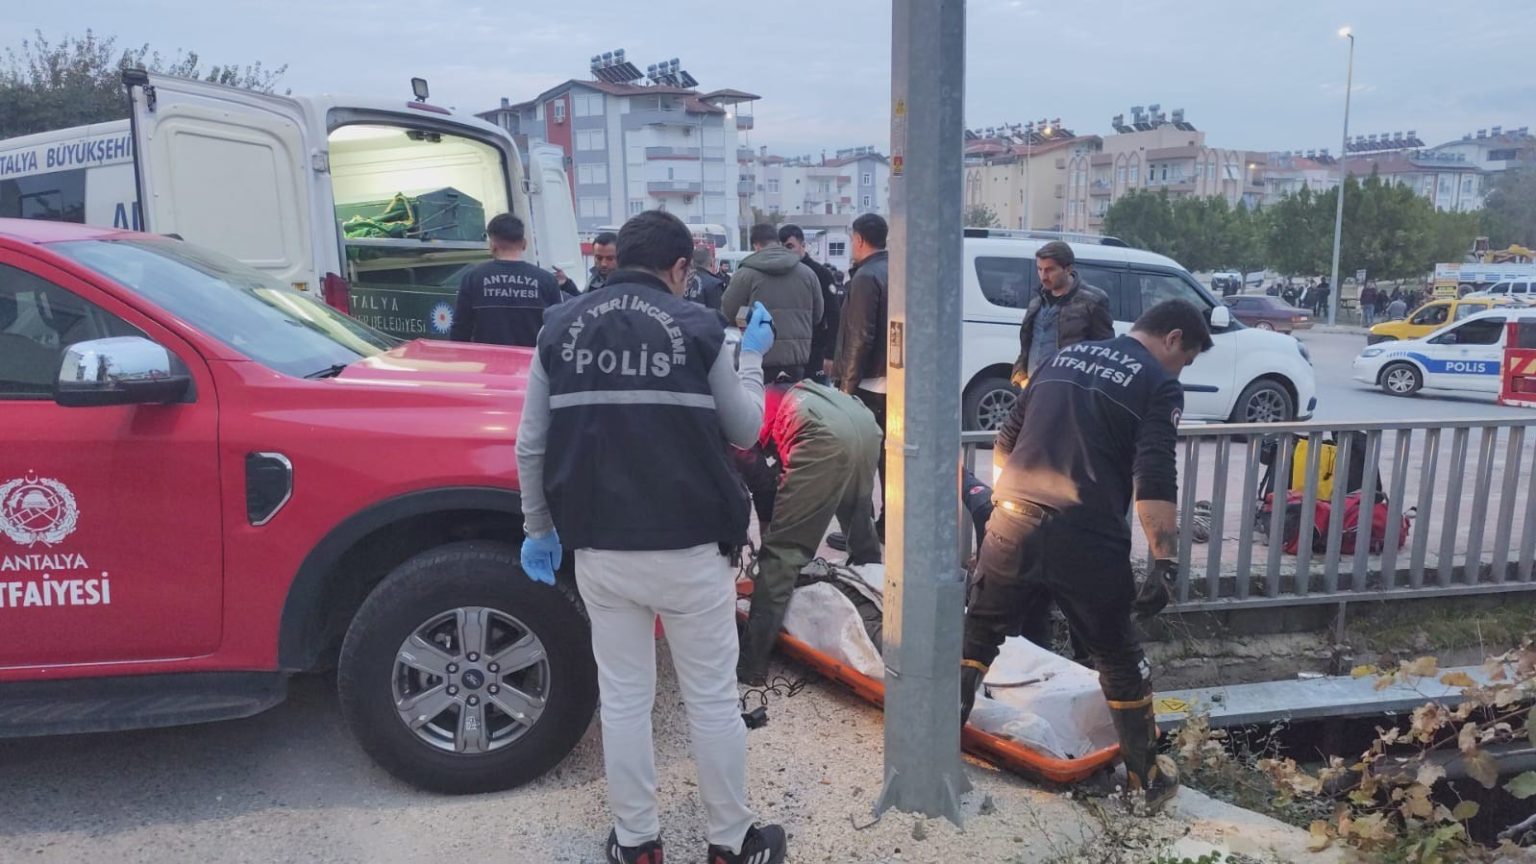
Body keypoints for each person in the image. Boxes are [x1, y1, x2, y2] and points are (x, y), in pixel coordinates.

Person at [515, 210, 788, 864]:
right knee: (711, 702)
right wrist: (752, 357)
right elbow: (746, 429)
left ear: (618, 258)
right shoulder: (698, 327)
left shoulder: (557, 326)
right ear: (680, 267)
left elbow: (531, 445)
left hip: (601, 551)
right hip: (690, 549)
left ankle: (637, 844)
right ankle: (731, 843)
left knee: (625, 701)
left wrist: (537, 528)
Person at [960, 299, 1214, 815]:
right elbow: (1155, 476)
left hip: (1011, 522)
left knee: (978, 635)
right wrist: (1164, 560)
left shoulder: (1061, 359)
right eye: (1185, 360)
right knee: (1118, 657)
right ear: (1172, 338)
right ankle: (1145, 781)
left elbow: (1005, 442)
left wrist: (1010, 506)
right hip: (1086, 535)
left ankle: (936, 748)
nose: (1180, 371)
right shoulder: (1158, 383)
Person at [737, 380, 882, 685]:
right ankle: (877, 609)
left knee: (782, 554)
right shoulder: (774, 390)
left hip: (821, 433)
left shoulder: (740, 417)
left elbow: (763, 485)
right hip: (864, 423)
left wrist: (772, 541)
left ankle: (751, 664)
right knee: (860, 527)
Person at [831, 213, 891, 537]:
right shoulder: (895, 269)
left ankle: (860, 532)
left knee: (859, 460)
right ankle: (887, 524)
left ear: (858, 239)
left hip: (867, 383)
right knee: (886, 459)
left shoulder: (866, 277)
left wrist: (846, 388)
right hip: (890, 381)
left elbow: (859, 335)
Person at [722, 224, 824, 381]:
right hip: (797, 362)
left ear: (756, 246)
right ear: (777, 242)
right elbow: (817, 316)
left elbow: (729, 313)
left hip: (757, 360)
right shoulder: (808, 274)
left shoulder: (744, 275)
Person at [448, 213, 563, 346]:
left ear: (492, 245)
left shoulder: (473, 278)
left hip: (487, 358)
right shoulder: (547, 280)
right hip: (532, 358)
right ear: (524, 243)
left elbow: (460, 330)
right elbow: (557, 330)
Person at [1011, 240, 1114, 387]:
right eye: (1039, 269)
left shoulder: (1092, 301)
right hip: (1034, 387)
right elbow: (1027, 346)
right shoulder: (1037, 301)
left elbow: (1105, 353)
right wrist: (1021, 378)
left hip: (1069, 389)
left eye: (1050, 270)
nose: (1043, 276)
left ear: (1068, 269)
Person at [780, 223, 841, 381]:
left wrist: (830, 355)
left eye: (790, 246)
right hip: (785, 355)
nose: (786, 252)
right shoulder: (778, 275)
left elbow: (834, 315)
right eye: (782, 247)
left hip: (815, 352)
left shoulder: (821, 273)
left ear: (803, 246)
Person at [684, 246, 726, 314]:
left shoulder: (683, 281)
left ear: (692, 262)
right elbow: (717, 315)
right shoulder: (714, 284)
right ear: (711, 262)